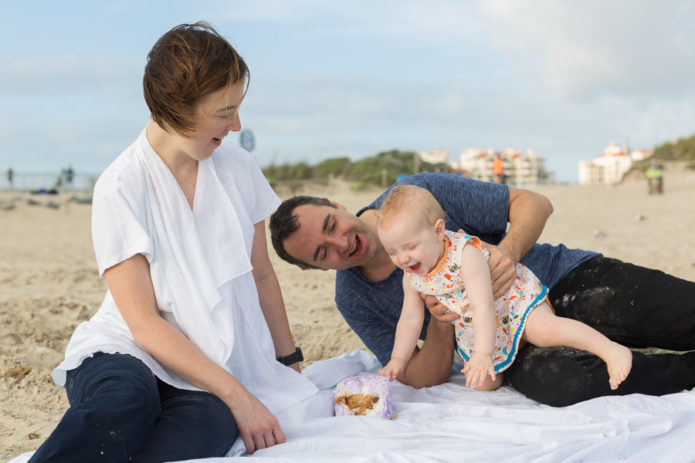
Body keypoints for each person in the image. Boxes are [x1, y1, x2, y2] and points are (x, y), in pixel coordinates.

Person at [28, 22, 316, 463]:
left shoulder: (239, 170)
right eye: (224, 112)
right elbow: (143, 323)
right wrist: (238, 395)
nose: (236, 125)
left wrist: (286, 362)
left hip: (208, 367)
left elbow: (261, 275)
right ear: (179, 107)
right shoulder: (122, 186)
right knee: (125, 405)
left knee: (205, 429)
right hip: (128, 350)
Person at [269, 172, 695, 407]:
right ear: (316, 269)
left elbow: (535, 202)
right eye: (323, 254)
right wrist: (440, 324)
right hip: (506, 343)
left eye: (331, 226)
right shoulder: (355, 296)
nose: (341, 243)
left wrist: (506, 254)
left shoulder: (419, 196)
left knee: (678, 311)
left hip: (563, 280)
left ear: (337, 206)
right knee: (569, 385)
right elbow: (420, 376)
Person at [374, 185, 631, 391]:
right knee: (483, 384)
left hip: (510, 303)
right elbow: (410, 319)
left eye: (410, 247)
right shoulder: (411, 276)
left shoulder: (465, 255)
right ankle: (508, 356)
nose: (403, 259)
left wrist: (483, 354)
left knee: (543, 330)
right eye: (392, 251)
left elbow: (482, 305)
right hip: (476, 326)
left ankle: (609, 349)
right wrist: (398, 359)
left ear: (439, 231)